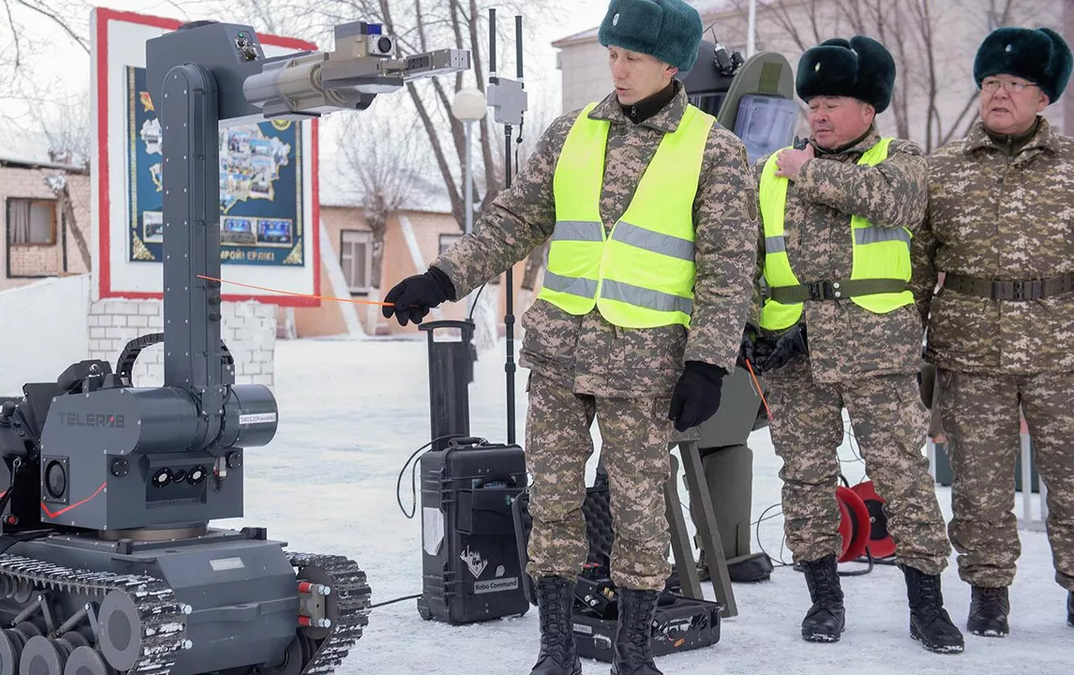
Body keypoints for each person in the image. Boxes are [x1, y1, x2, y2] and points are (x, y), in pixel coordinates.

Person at [380, 0, 758, 671]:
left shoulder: (715, 150)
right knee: (552, 503)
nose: (617, 68)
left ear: (672, 62)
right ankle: (556, 651)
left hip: (645, 363)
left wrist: (708, 361)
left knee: (640, 512)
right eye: (612, 54)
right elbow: (512, 222)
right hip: (558, 352)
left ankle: (634, 655)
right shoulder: (570, 132)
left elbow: (729, 268)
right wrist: (440, 279)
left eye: (632, 57)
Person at [742, 35, 963, 653]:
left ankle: (928, 607)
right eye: (811, 100)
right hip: (793, 352)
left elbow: (895, 206)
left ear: (868, 109)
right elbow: (747, 259)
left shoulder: (900, 159)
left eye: (833, 100)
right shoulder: (770, 173)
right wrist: (751, 329)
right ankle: (823, 601)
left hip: (875, 351)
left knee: (903, 477)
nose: (818, 112)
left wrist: (805, 171)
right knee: (805, 477)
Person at [911, 25, 1074, 637]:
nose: (999, 93)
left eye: (1015, 83)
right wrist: (911, 350)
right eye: (990, 82)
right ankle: (987, 590)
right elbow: (917, 269)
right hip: (969, 350)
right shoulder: (941, 170)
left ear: (1043, 97)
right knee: (978, 484)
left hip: (1063, 351)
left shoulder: (1072, 168)